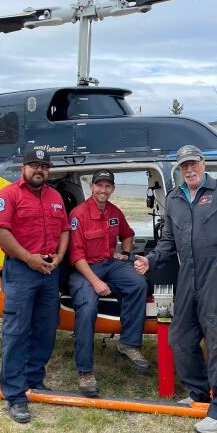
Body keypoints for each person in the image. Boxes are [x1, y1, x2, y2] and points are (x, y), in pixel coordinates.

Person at [134, 145, 217, 433]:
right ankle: (198, 393)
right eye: (184, 166)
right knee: (179, 337)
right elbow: (167, 242)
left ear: (203, 164)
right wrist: (150, 260)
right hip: (187, 274)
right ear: (179, 170)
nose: (189, 169)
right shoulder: (175, 198)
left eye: (194, 163)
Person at [0, 148, 70, 424]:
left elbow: (64, 230)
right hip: (21, 270)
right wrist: (28, 258)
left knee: (46, 329)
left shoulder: (55, 197)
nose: (40, 170)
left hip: (48, 271)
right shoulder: (8, 195)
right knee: (17, 331)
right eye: (34, 165)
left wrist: (58, 256)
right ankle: (14, 394)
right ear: (23, 168)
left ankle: (34, 379)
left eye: (44, 166)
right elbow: (0, 231)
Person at [68, 170, 150, 397]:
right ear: (91, 187)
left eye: (108, 186)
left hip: (109, 263)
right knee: (87, 308)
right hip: (85, 269)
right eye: (99, 186)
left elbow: (127, 233)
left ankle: (128, 344)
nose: (103, 190)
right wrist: (95, 283)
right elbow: (76, 257)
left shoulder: (114, 212)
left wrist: (124, 252)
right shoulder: (78, 215)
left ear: (112, 189)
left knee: (138, 284)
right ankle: (85, 372)